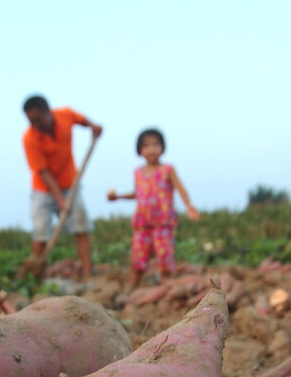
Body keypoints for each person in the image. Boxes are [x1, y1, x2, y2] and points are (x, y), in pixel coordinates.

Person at [22, 95, 102, 279]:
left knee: (80, 227)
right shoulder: (30, 139)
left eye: (37, 120)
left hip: (70, 184)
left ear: (47, 112)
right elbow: (43, 172)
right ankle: (36, 274)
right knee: (41, 232)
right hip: (42, 190)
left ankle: (88, 272)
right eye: (30, 121)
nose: (35, 125)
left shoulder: (65, 115)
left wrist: (93, 127)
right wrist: (60, 199)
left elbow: (81, 120)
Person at [107, 127, 199, 287]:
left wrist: (188, 205)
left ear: (163, 147)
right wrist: (118, 197)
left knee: (165, 257)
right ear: (139, 150)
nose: (151, 149)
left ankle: (166, 286)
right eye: (146, 146)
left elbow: (179, 187)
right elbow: (138, 194)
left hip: (162, 222)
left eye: (156, 144)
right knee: (138, 257)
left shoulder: (167, 170)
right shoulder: (138, 172)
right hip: (143, 223)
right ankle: (133, 286)